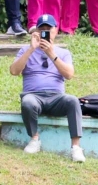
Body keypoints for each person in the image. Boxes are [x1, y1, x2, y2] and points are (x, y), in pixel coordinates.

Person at [10, 14, 85, 162]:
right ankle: (34, 139)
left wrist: (51, 54)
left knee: (73, 101)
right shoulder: (25, 50)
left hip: (56, 97)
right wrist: (31, 49)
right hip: (34, 96)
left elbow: (69, 74)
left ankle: (76, 147)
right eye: (42, 29)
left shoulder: (63, 53)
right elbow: (14, 71)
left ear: (56, 31)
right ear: (36, 32)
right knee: (27, 102)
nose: (45, 32)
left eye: (48, 29)